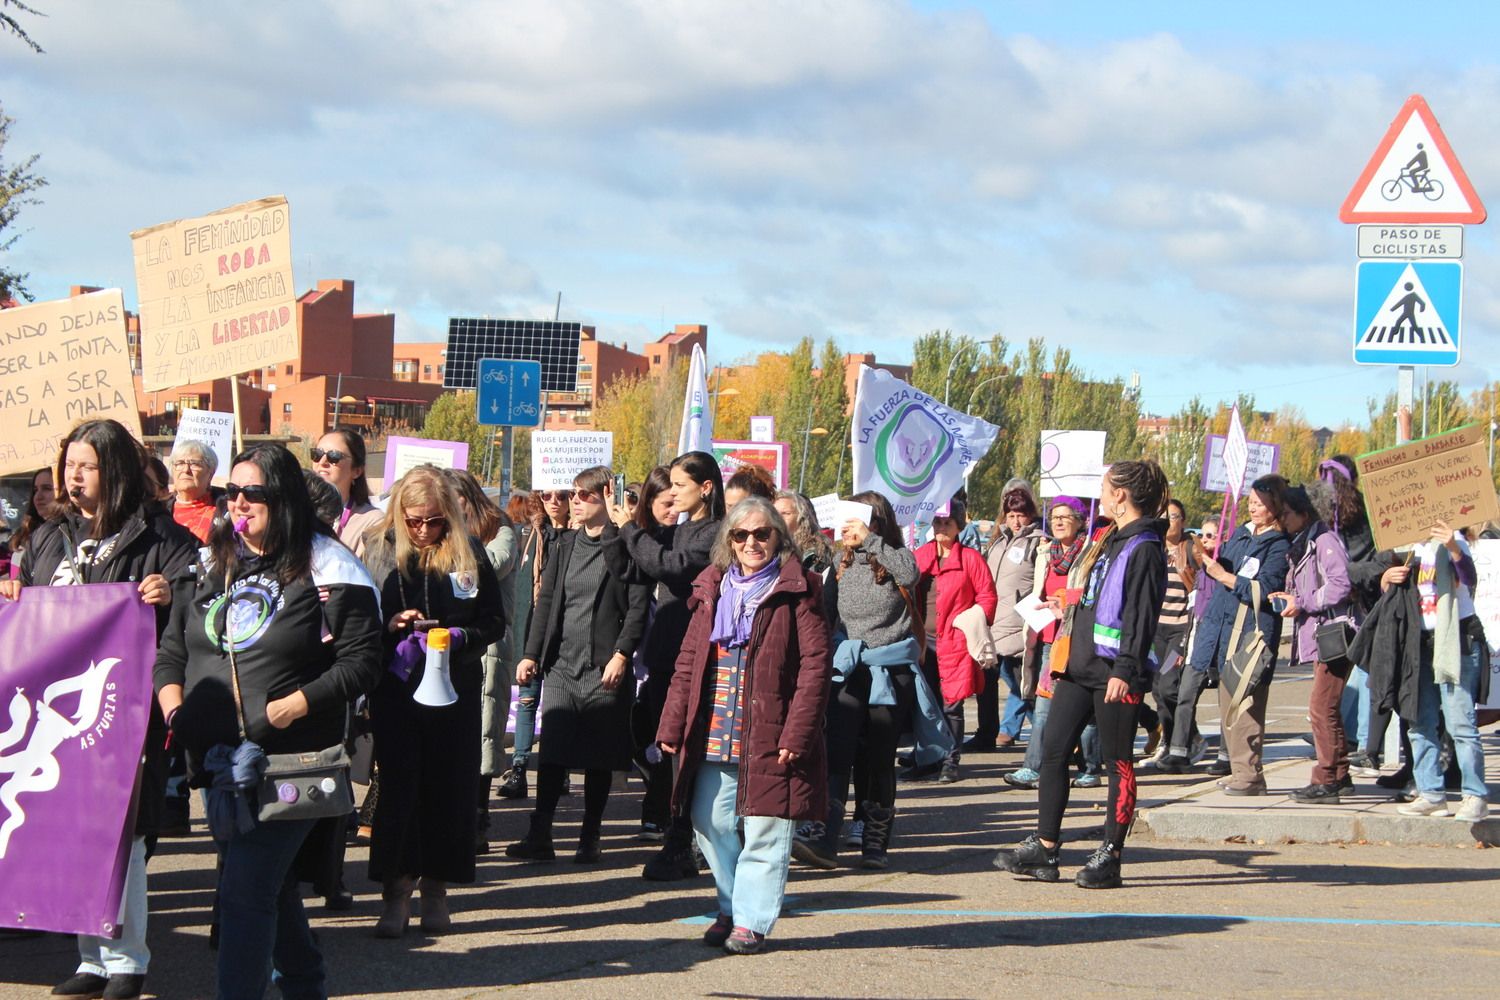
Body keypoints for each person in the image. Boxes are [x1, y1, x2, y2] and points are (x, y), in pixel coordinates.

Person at [153, 443, 382, 999]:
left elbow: (363, 662)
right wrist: (177, 711)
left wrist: (296, 703)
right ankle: (306, 987)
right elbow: (172, 651)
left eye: (252, 492)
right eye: (232, 492)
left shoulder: (328, 565)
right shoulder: (212, 561)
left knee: (244, 893)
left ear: (282, 498)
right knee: (268, 889)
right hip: (219, 762)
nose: (238, 502)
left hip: (290, 763)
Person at [6, 419, 198, 1000]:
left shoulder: (161, 538)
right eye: (69, 464)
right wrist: (14, 595)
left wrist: (169, 596)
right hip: (50, 714)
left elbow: (192, 615)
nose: (72, 476)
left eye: (86, 465)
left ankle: (127, 961)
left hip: (120, 713)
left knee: (124, 836)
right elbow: (32, 613)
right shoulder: (48, 536)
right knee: (68, 830)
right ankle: (90, 958)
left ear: (112, 472)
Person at [657, 497, 832, 954]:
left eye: (762, 533)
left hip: (772, 731)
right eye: (741, 535)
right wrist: (672, 723)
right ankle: (733, 905)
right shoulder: (711, 588)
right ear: (728, 541)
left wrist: (798, 732)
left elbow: (815, 666)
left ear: (778, 537)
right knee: (708, 820)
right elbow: (689, 660)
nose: (751, 542)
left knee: (766, 830)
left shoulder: (801, 588)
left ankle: (751, 921)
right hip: (716, 724)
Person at [994, 460, 1169, 890]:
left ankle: (1111, 854)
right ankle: (1046, 847)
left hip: (1114, 672)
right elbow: (1093, 595)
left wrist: (1127, 670)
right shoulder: (1107, 538)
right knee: (1053, 751)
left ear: (1122, 495)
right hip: (1078, 665)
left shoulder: (1144, 545)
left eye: (1106, 488)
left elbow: (1141, 615)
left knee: (1117, 763)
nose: (1101, 494)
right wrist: (1065, 607)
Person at [363, 466, 505, 937]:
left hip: (454, 690)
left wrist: (461, 636)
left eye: (434, 521)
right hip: (399, 690)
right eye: (414, 521)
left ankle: (436, 891)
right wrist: (392, 625)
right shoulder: (381, 549)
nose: (423, 531)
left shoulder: (471, 554)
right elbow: (360, 621)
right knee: (400, 791)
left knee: (448, 791)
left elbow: (494, 622)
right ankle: (395, 892)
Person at [506, 466, 651, 863]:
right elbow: (546, 602)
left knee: (599, 756)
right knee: (552, 749)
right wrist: (531, 654)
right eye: (572, 495)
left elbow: (638, 607)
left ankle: (590, 836)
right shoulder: (565, 544)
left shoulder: (625, 544)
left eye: (583, 496)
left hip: (604, 666)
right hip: (561, 665)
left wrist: (622, 654)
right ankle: (541, 834)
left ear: (606, 496)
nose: (574, 502)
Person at [601, 451, 725, 879]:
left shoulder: (714, 533)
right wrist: (615, 533)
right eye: (669, 485)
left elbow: (670, 568)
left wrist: (632, 530)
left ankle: (682, 841)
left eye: (680, 485)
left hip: (693, 657)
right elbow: (633, 572)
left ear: (706, 487)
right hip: (666, 656)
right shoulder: (681, 528)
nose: (672, 493)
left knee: (682, 752)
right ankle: (676, 834)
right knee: (661, 747)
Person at [824, 491, 921, 869]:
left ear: (874, 521)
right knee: (838, 752)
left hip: (889, 671)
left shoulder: (897, 557)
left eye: (855, 520)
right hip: (848, 668)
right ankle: (827, 834)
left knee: (878, 758)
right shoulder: (839, 562)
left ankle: (874, 841)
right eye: (844, 520)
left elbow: (911, 574)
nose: (846, 528)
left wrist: (872, 541)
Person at [1190, 475, 1292, 795]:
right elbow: (1225, 572)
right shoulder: (1241, 533)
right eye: (1251, 500)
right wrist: (1206, 561)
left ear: (1276, 506)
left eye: (1261, 502)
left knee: (1246, 706)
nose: (1253, 506)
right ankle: (1240, 771)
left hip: (1250, 634)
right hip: (1223, 629)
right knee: (1228, 707)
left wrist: (1224, 575)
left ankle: (1249, 776)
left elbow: (1266, 587)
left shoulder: (1279, 544)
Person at [1382, 522, 1489, 822]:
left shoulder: (1454, 542)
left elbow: (1469, 578)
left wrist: (1454, 548)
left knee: (1461, 724)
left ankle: (1474, 795)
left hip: (1455, 639)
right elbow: (1397, 594)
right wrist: (1387, 578)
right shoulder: (1410, 549)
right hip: (1420, 643)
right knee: (1418, 721)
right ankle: (1430, 793)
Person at [443, 469, 519, 854]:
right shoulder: (443, 534)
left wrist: (452, 553)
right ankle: (457, 816)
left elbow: (489, 566)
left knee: (486, 731)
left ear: (467, 498)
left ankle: (479, 817)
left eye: (451, 499)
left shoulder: (500, 527)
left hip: (490, 645)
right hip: (453, 645)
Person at [1274, 482, 1356, 804]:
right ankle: (1340, 775)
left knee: (1320, 709)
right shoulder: (1307, 541)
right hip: (1324, 635)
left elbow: (1340, 584)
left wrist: (1303, 601)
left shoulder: (1323, 541)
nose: (1282, 519)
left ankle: (1326, 778)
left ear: (1304, 513)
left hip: (1334, 635)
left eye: (1287, 514)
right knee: (1327, 708)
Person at [909, 499, 997, 783]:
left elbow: (988, 597)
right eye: (937, 522)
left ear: (959, 526)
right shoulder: (920, 556)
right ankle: (927, 758)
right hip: (923, 642)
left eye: (947, 522)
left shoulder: (971, 559)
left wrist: (969, 622)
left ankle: (950, 760)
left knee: (951, 704)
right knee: (924, 703)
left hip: (955, 642)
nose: (941, 527)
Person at [1004, 495, 1087, 790]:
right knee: (1042, 708)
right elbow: (1036, 589)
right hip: (1049, 640)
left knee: (1084, 710)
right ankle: (1032, 767)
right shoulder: (1046, 552)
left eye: (1066, 516)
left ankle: (1089, 767)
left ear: (1080, 521)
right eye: (1055, 517)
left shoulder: (1090, 554)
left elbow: (1095, 594)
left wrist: (1065, 601)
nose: (1060, 521)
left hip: (1079, 638)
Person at [497, 487, 572, 801]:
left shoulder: (578, 537)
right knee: (527, 699)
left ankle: (562, 769)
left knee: (560, 705)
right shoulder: (525, 535)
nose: (554, 501)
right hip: (531, 628)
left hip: (566, 633)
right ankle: (519, 767)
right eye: (546, 495)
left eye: (563, 495)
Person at [976, 483, 1045, 751]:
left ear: (1030, 515)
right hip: (993, 623)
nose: (1016, 521)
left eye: (1021, 515)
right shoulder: (998, 541)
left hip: (1018, 626)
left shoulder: (1037, 542)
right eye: (1011, 515)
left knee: (1022, 684)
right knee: (991, 683)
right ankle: (990, 733)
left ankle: (1046, 735)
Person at [1143, 499, 1198, 765]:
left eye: (1173, 516)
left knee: (1168, 686)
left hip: (1179, 630)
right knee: (1157, 689)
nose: (1168, 521)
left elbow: (1201, 590)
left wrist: (1184, 569)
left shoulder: (1191, 550)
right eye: (1163, 516)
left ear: (1183, 521)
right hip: (1156, 631)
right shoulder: (1153, 549)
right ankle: (1169, 739)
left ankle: (1188, 736)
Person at [312, 427, 383, 557]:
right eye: (317, 454)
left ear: (357, 471)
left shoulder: (372, 522)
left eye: (334, 456)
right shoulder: (296, 511)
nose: (322, 462)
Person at [165, 440, 224, 543]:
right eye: (180, 463)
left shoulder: (227, 509)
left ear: (210, 473)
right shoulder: (159, 510)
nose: (186, 470)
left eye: (195, 464)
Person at [7, 466, 58, 574]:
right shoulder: (25, 536)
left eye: (47, 488)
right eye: (35, 490)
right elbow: (17, 581)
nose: (38, 496)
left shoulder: (75, 535)